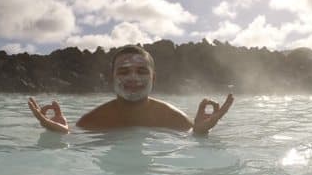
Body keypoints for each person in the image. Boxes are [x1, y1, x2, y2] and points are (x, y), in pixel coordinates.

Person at [27, 44, 234, 135]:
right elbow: (76, 146)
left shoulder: (173, 119)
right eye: (124, 72)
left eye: (141, 71)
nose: (133, 78)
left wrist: (199, 134)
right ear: (112, 78)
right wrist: (61, 135)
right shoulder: (92, 121)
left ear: (153, 78)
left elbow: (193, 146)